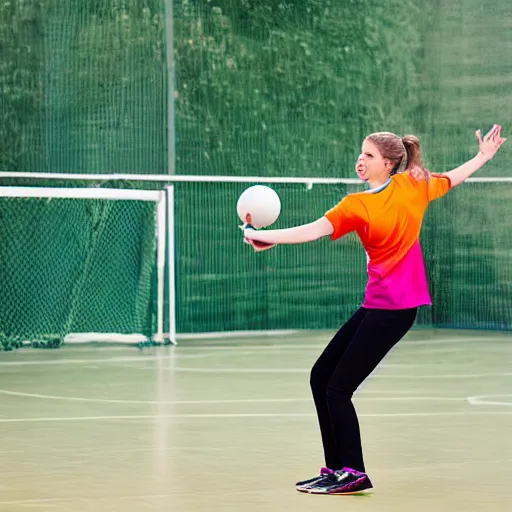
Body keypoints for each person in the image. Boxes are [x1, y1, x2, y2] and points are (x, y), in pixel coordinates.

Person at [243, 125, 506, 495]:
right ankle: (335, 470)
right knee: (321, 376)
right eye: (360, 153)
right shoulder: (359, 205)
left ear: (389, 163)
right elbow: (315, 230)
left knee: (338, 389)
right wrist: (266, 237)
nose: (360, 161)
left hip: (396, 310)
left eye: (368, 155)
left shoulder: (412, 185)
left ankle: (355, 472)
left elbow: (451, 179)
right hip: (378, 304)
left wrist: (483, 156)